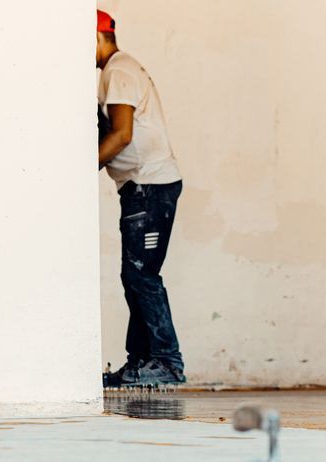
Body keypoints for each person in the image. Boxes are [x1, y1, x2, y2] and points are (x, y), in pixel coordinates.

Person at [97, 10, 188, 389]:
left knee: (140, 275)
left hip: (150, 187)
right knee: (135, 275)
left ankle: (166, 363)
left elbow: (121, 135)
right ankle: (142, 363)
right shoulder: (117, 70)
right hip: (143, 187)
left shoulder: (119, 71)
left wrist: (79, 170)